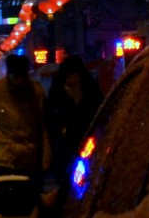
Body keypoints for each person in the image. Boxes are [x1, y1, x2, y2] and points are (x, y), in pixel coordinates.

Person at [0, 54, 51, 179]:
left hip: (29, 158)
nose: (19, 81)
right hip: (3, 158)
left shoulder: (35, 91)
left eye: (23, 76)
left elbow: (43, 125)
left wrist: (46, 157)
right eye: (16, 76)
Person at [44, 56, 103, 194]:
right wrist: (61, 130)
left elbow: (101, 111)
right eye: (69, 77)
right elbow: (49, 118)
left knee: (90, 181)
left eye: (76, 77)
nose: (73, 81)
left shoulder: (91, 90)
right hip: (65, 146)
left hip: (89, 142)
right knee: (67, 182)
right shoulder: (56, 93)